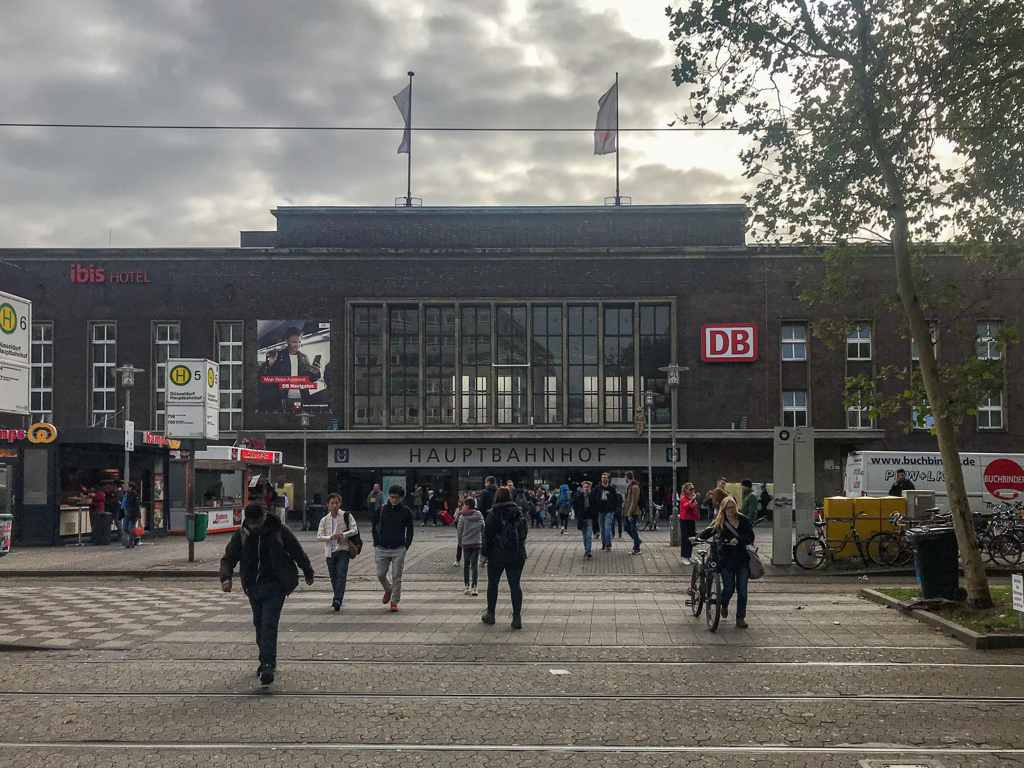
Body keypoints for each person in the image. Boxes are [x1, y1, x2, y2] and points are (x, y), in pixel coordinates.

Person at [219, 503, 315, 685]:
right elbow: (229, 557)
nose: (255, 527)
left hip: (276, 585)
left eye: (258, 523)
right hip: (253, 586)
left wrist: (308, 570)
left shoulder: (278, 530)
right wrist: (226, 577)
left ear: (264, 517)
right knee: (259, 624)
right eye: (252, 524)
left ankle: (267, 664)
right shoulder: (242, 534)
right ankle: (266, 659)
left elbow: (296, 550)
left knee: (269, 623)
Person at [691, 496, 755, 629]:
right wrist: (697, 538)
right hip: (726, 559)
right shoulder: (720, 521)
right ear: (723, 509)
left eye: (732, 508)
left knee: (742, 590)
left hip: (742, 559)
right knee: (729, 588)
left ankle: (740, 618)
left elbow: (750, 536)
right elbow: (708, 532)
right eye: (728, 508)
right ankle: (723, 603)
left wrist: (740, 540)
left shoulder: (743, 520)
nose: (731, 511)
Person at [481, 488, 529, 630]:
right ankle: (516, 617)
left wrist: (483, 556)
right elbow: (524, 531)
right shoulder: (517, 511)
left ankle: (490, 614)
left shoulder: (494, 513)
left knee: (493, 584)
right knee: (515, 586)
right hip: (517, 553)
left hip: (498, 554)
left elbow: (487, 536)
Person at [372, 484, 415, 612]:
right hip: (382, 547)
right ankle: (387, 588)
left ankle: (394, 601)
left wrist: (406, 545)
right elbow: (374, 526)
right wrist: (376, 541)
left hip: (398, 548)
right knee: (380, 574)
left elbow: (410, 530)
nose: (394, 500)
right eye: (391, 497)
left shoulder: (406, 511)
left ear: (402, 498)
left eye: (396, 498)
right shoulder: (381, 509)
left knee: (397, 575)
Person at [262, 327, 322, 411]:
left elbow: (309, 379)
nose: (297, 345)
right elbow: (270, 378)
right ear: (287, 342)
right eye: (294, 342)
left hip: (302, 397)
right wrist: (270, 364)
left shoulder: (305, 357)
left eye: (299, 342)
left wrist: (316, 373)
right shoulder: (278, 356)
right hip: (284, 398)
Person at [316, 493, 358, 611]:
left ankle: (338, 598)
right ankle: (337, 595)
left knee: (342, 573)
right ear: (328, 505)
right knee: (333, 575)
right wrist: (330, 537)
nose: (335, 506)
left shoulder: (346, 516)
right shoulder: (324, 520)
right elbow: (319, 536)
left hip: (343, 549)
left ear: (340, 503)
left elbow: (354, 530)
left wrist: (343, 535)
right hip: (330, 551)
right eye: (332, 503)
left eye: (337, 503)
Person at [456, 497, 484, 596]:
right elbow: (483, 528)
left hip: (466, 543)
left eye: (463, 505)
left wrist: (460, 542)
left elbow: (459, 531)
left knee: (466, 565)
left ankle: (467, 586)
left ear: (467, 506)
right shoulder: (479, 515)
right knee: (474, 565)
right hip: (476, 542)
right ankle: (475, 586)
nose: (462, 507)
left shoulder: (462, 517)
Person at [592, 472, 618, 551]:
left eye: (605, 478)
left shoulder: (611, 489)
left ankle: (608, 545)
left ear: (608, 479)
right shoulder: (598, 488)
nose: (603, 479)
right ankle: (603, 544)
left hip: (609, 511)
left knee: (607, 528)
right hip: (600, 511)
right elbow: (593, 497)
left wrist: (614, 509)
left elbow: (616, 499)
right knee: (602, 528)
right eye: (602, 477)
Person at [574, 480, 598, 558]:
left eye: (587, 487)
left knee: (588, 534)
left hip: (590, 517)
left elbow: (595, 507)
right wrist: (577, 515)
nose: (586, 489)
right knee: (584, 535)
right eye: (585, 487)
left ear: (590, 488)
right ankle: (586, 548)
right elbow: (575, 506)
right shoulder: (578, 496)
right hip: (582, 517)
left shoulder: (593, 496)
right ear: (582, 487)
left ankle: (588, 550)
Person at [678, 482, 700, 564]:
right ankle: (685, 557)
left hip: (691, 519)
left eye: (693, 489)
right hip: (685, 519)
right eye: (690, 489)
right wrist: (692, 500)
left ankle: (689, 556)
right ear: (686, 490)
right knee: (685, 538)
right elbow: (686, 505)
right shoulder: (683, 497)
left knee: (691, 538)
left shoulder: (692, 496)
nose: (692, 491)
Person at [622, 471, 643, 555]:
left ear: (627, 477)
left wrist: (630, 513)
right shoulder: (628, 487)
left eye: (625, 477)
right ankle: (637, 541)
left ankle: (637, 548)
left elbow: (634, 501)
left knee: (633, 529)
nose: (625, 478)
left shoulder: (635, 487)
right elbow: (628, 499)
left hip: (633, 512)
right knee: (626, 527)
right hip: (627, 511)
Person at [121, 482, 142, 548]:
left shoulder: (134, 495)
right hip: (127, 513)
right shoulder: (126, 494)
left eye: (127, 486)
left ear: (131, 487)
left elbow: (136, 506)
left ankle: (131, 542)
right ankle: (135, 538)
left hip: (133, 514)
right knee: (125, 528)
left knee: (131, 528)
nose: (125, 487)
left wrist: (138, 515)